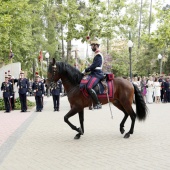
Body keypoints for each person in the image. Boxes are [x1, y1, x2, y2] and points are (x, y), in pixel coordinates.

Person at [84, 37, 104, 109]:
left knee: (89, 87)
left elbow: (95, 65)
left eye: (92, 46)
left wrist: (86, 70)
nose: (91, 47)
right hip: (94, 73)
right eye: (91, 46)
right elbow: (93, 65)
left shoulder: (98, 55)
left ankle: (98, 103)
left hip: (97, 74)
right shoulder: (96, 55)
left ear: (96, 46)